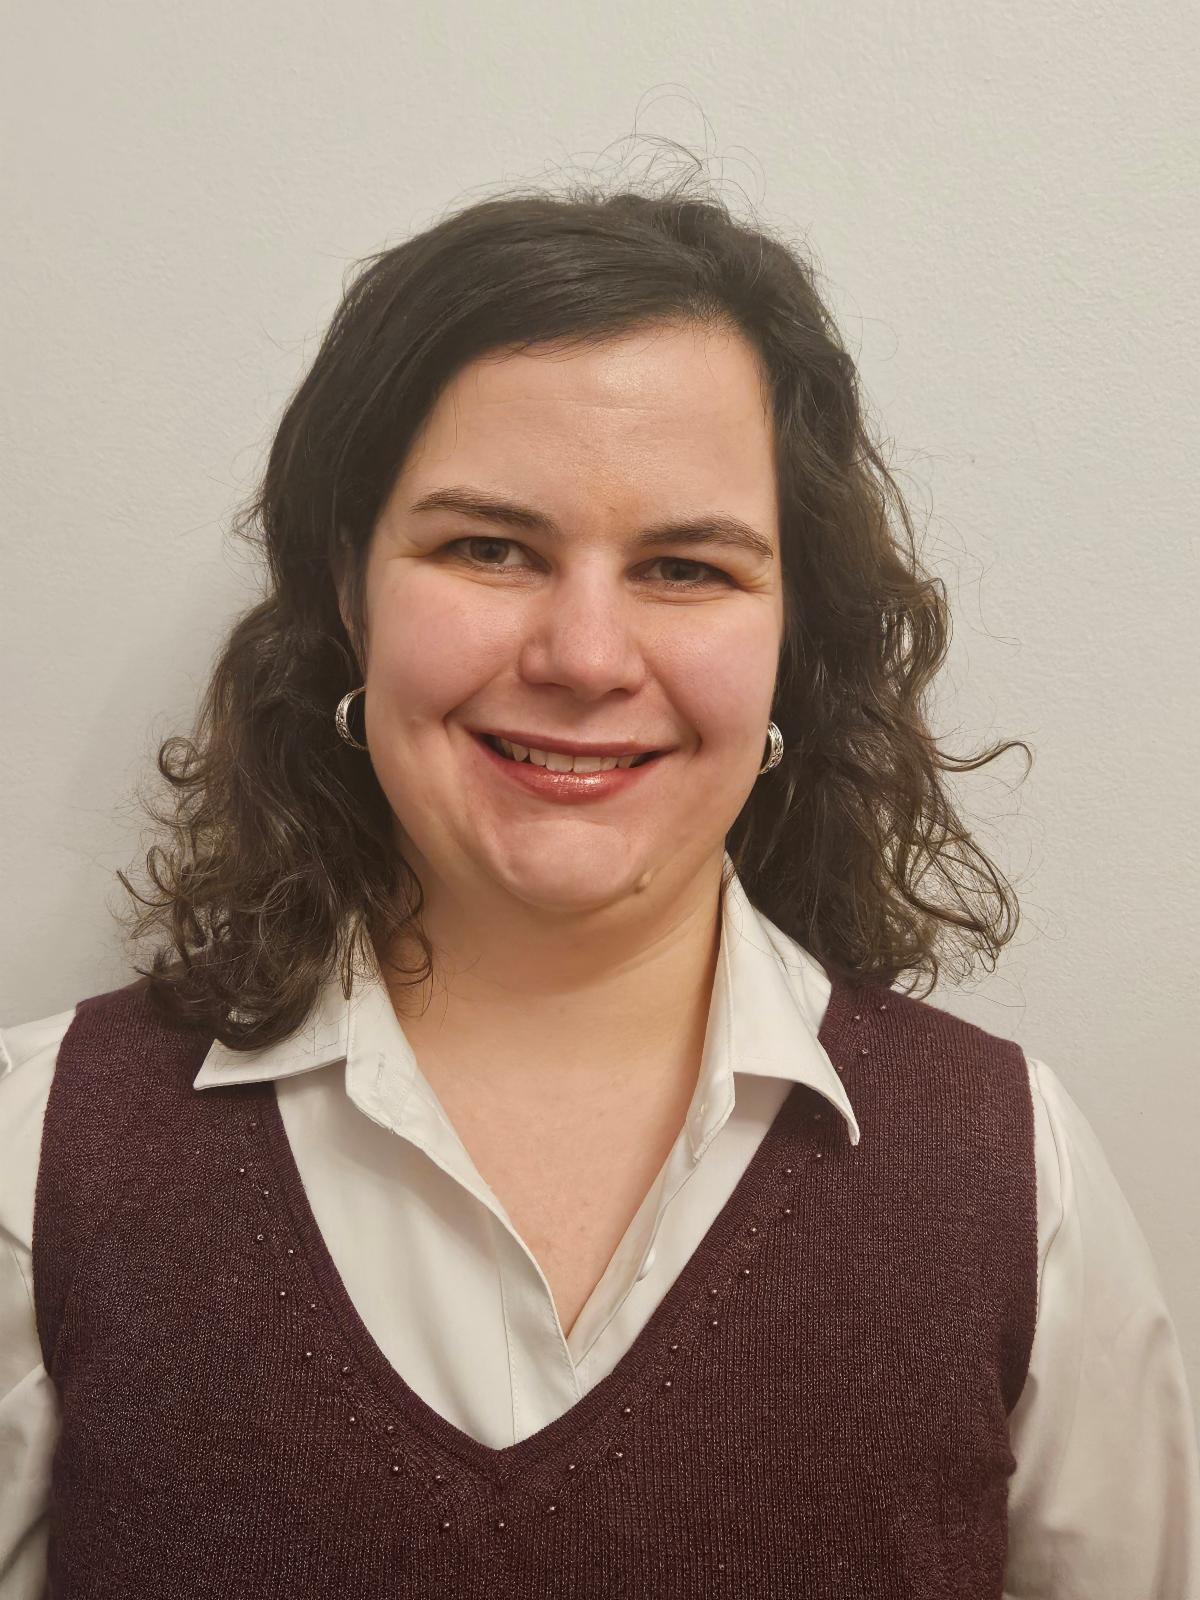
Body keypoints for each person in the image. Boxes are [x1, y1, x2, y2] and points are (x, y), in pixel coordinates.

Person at [1, 177, 1197, 1599]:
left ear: (789, 644)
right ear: (348, 590)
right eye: (488, 548)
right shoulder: (38, 1159)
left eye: (686, 567)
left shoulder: (1018, 1180)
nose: (582, 654)